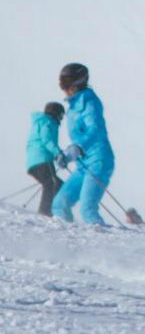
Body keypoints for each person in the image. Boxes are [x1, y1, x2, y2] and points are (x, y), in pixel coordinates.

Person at [50, 63, 115, 226]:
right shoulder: (73, 107)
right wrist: (65, 155)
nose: (64, 89)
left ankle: (106, 247)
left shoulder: (90, 103)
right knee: (60, 204)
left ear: (78, 82)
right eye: (61, 84)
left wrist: (78, 147)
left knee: (87, 210)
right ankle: (66, 243)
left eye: (66, 84)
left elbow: (95, 130)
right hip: (83, 164)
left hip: (99, 161)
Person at [25, 101, 63, 217]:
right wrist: (57, 153)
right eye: (60, 115)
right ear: (55, 113)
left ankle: (53, 211)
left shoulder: (43, 122)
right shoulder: (47, 122)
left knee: (57, 184)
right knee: (51, 183)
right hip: (41, 160)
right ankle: (45, 212)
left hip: (37, 161)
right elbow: (46, 140)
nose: (61, 119)